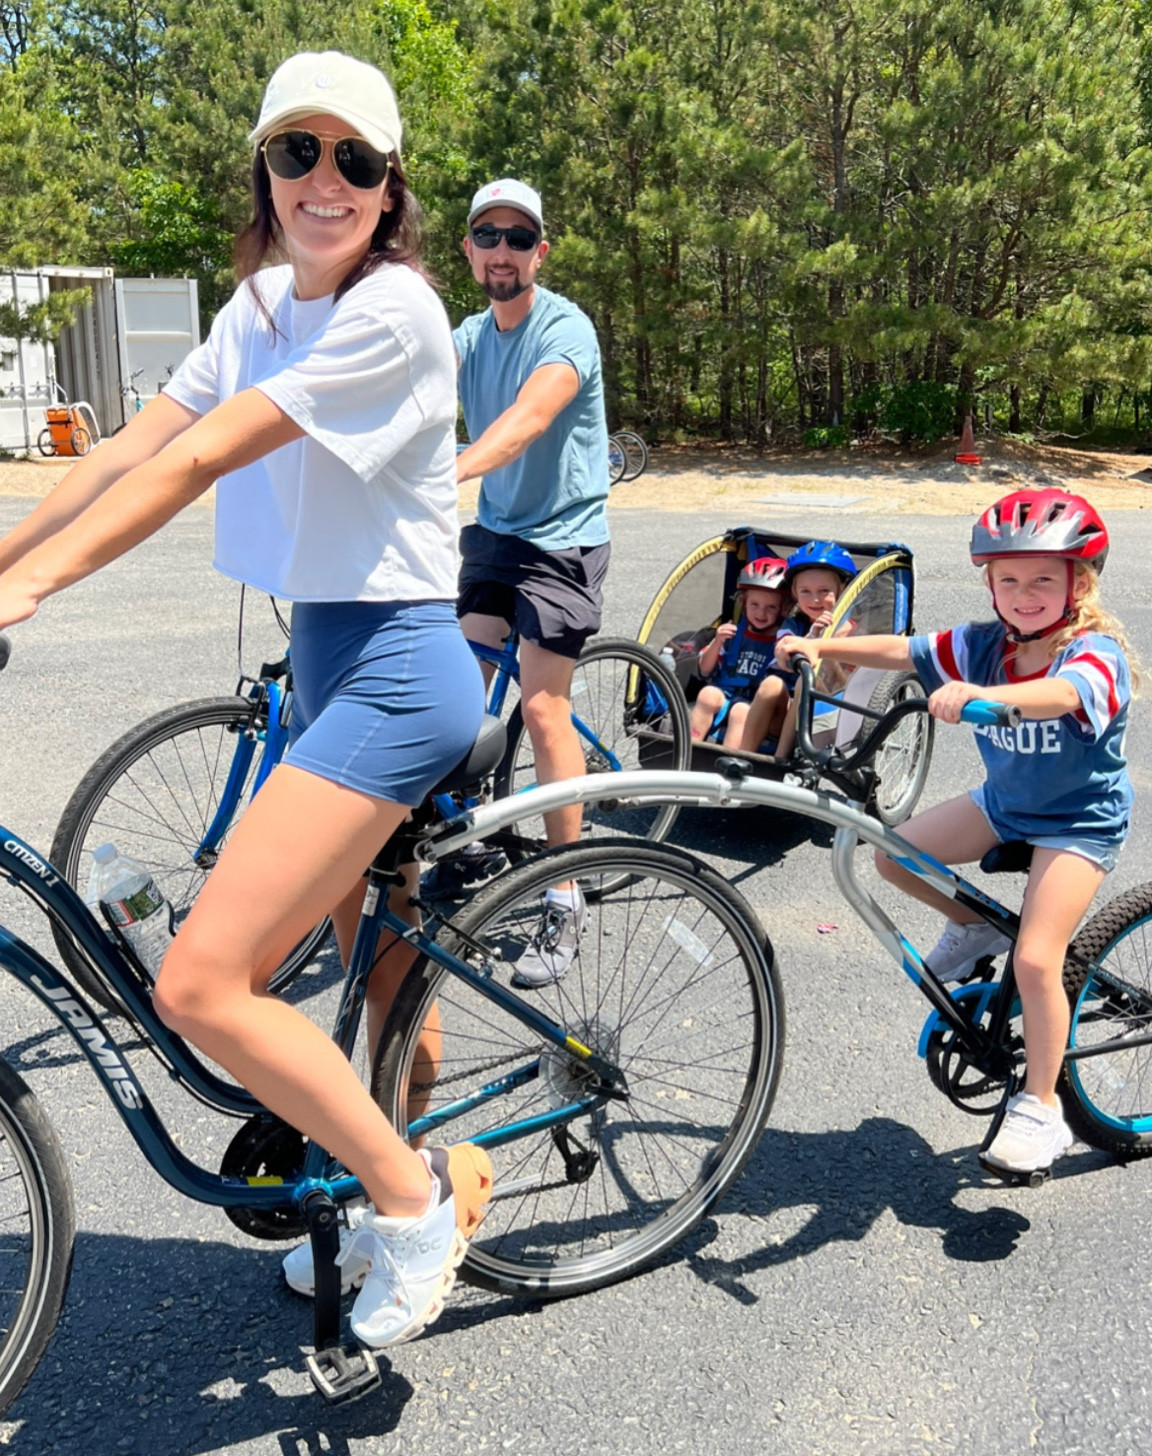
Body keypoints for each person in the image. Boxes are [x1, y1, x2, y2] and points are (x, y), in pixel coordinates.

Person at [0, 51, 493, 1347]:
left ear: (390, 193)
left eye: (355, 161)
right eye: (296, 153)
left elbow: (213, 452)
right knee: (368, 972)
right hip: (326, 663)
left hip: (398, 671)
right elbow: (135, 443)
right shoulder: (267, 306)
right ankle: (419, 1156)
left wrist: (31, 588)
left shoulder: (395, 314)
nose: (322, 181)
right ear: (264, 171)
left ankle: (414, 1202)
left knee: (206, 983)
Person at [778, 489, 1134, 1176]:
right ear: (990, 584)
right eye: (1008, 579)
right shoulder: (981, 644)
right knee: (893, 855)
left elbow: (1064, 695)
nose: (1023, 593)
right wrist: (821, 643)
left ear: (1078, 582)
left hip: (1078, 823)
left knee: (1036, 961)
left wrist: (987, 698)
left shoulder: (1095, 652)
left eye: (1042, 579)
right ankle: (973, 929)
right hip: (1005, 806)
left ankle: (1041, 1110)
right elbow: (907, 650)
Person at [447, 177, 612, 989]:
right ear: (470, 250)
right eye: (489, 235)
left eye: (519, 238)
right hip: (498, 534)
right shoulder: (469, 337)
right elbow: (399, 392)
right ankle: (466, 835)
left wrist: (452, 470)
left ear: (539, 251)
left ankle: (566, 891)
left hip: (563, 539)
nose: (503, 251)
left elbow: (529, 418)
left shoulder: (564, 327)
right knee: (455, 691)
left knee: (543, 704)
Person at [739, 540, 857, 758]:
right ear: (794, 592)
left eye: (824, 591)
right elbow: (783, 651)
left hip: (829, 710)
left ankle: (780, 760)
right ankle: (741, 756)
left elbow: (849, 679)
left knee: (805, 680)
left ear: (841, 590)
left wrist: (824, 643)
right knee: (773, 683)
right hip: (786, 713)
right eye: (805, 591)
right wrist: (811, 637)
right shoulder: (793, 625)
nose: (814, 599)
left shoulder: (851, 629)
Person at [689, 556, 789, 746]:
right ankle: (689, 750)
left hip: (757, 705)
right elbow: (705, 670)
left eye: (771, 607)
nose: (761, 613)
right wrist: (717, 641)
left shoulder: (784, 640)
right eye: (754, 605)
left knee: (740, 711)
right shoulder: (734, 634)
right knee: (707, 694)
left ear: (783, 609)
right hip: (726, 693)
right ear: (743, 604)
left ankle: (729, 763)